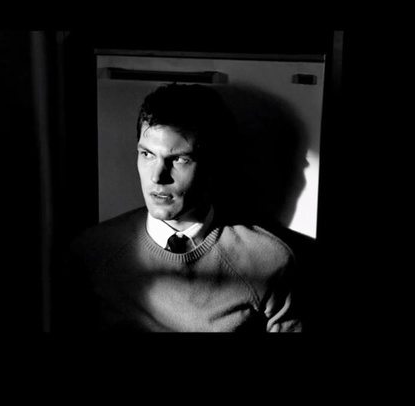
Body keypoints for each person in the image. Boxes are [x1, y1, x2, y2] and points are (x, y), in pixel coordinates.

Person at [61, 83, 303, 332]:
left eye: (179, 159)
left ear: (213, 164)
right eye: (147, 154)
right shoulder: (91, 253)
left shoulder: (270, 261)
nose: (157, 176)